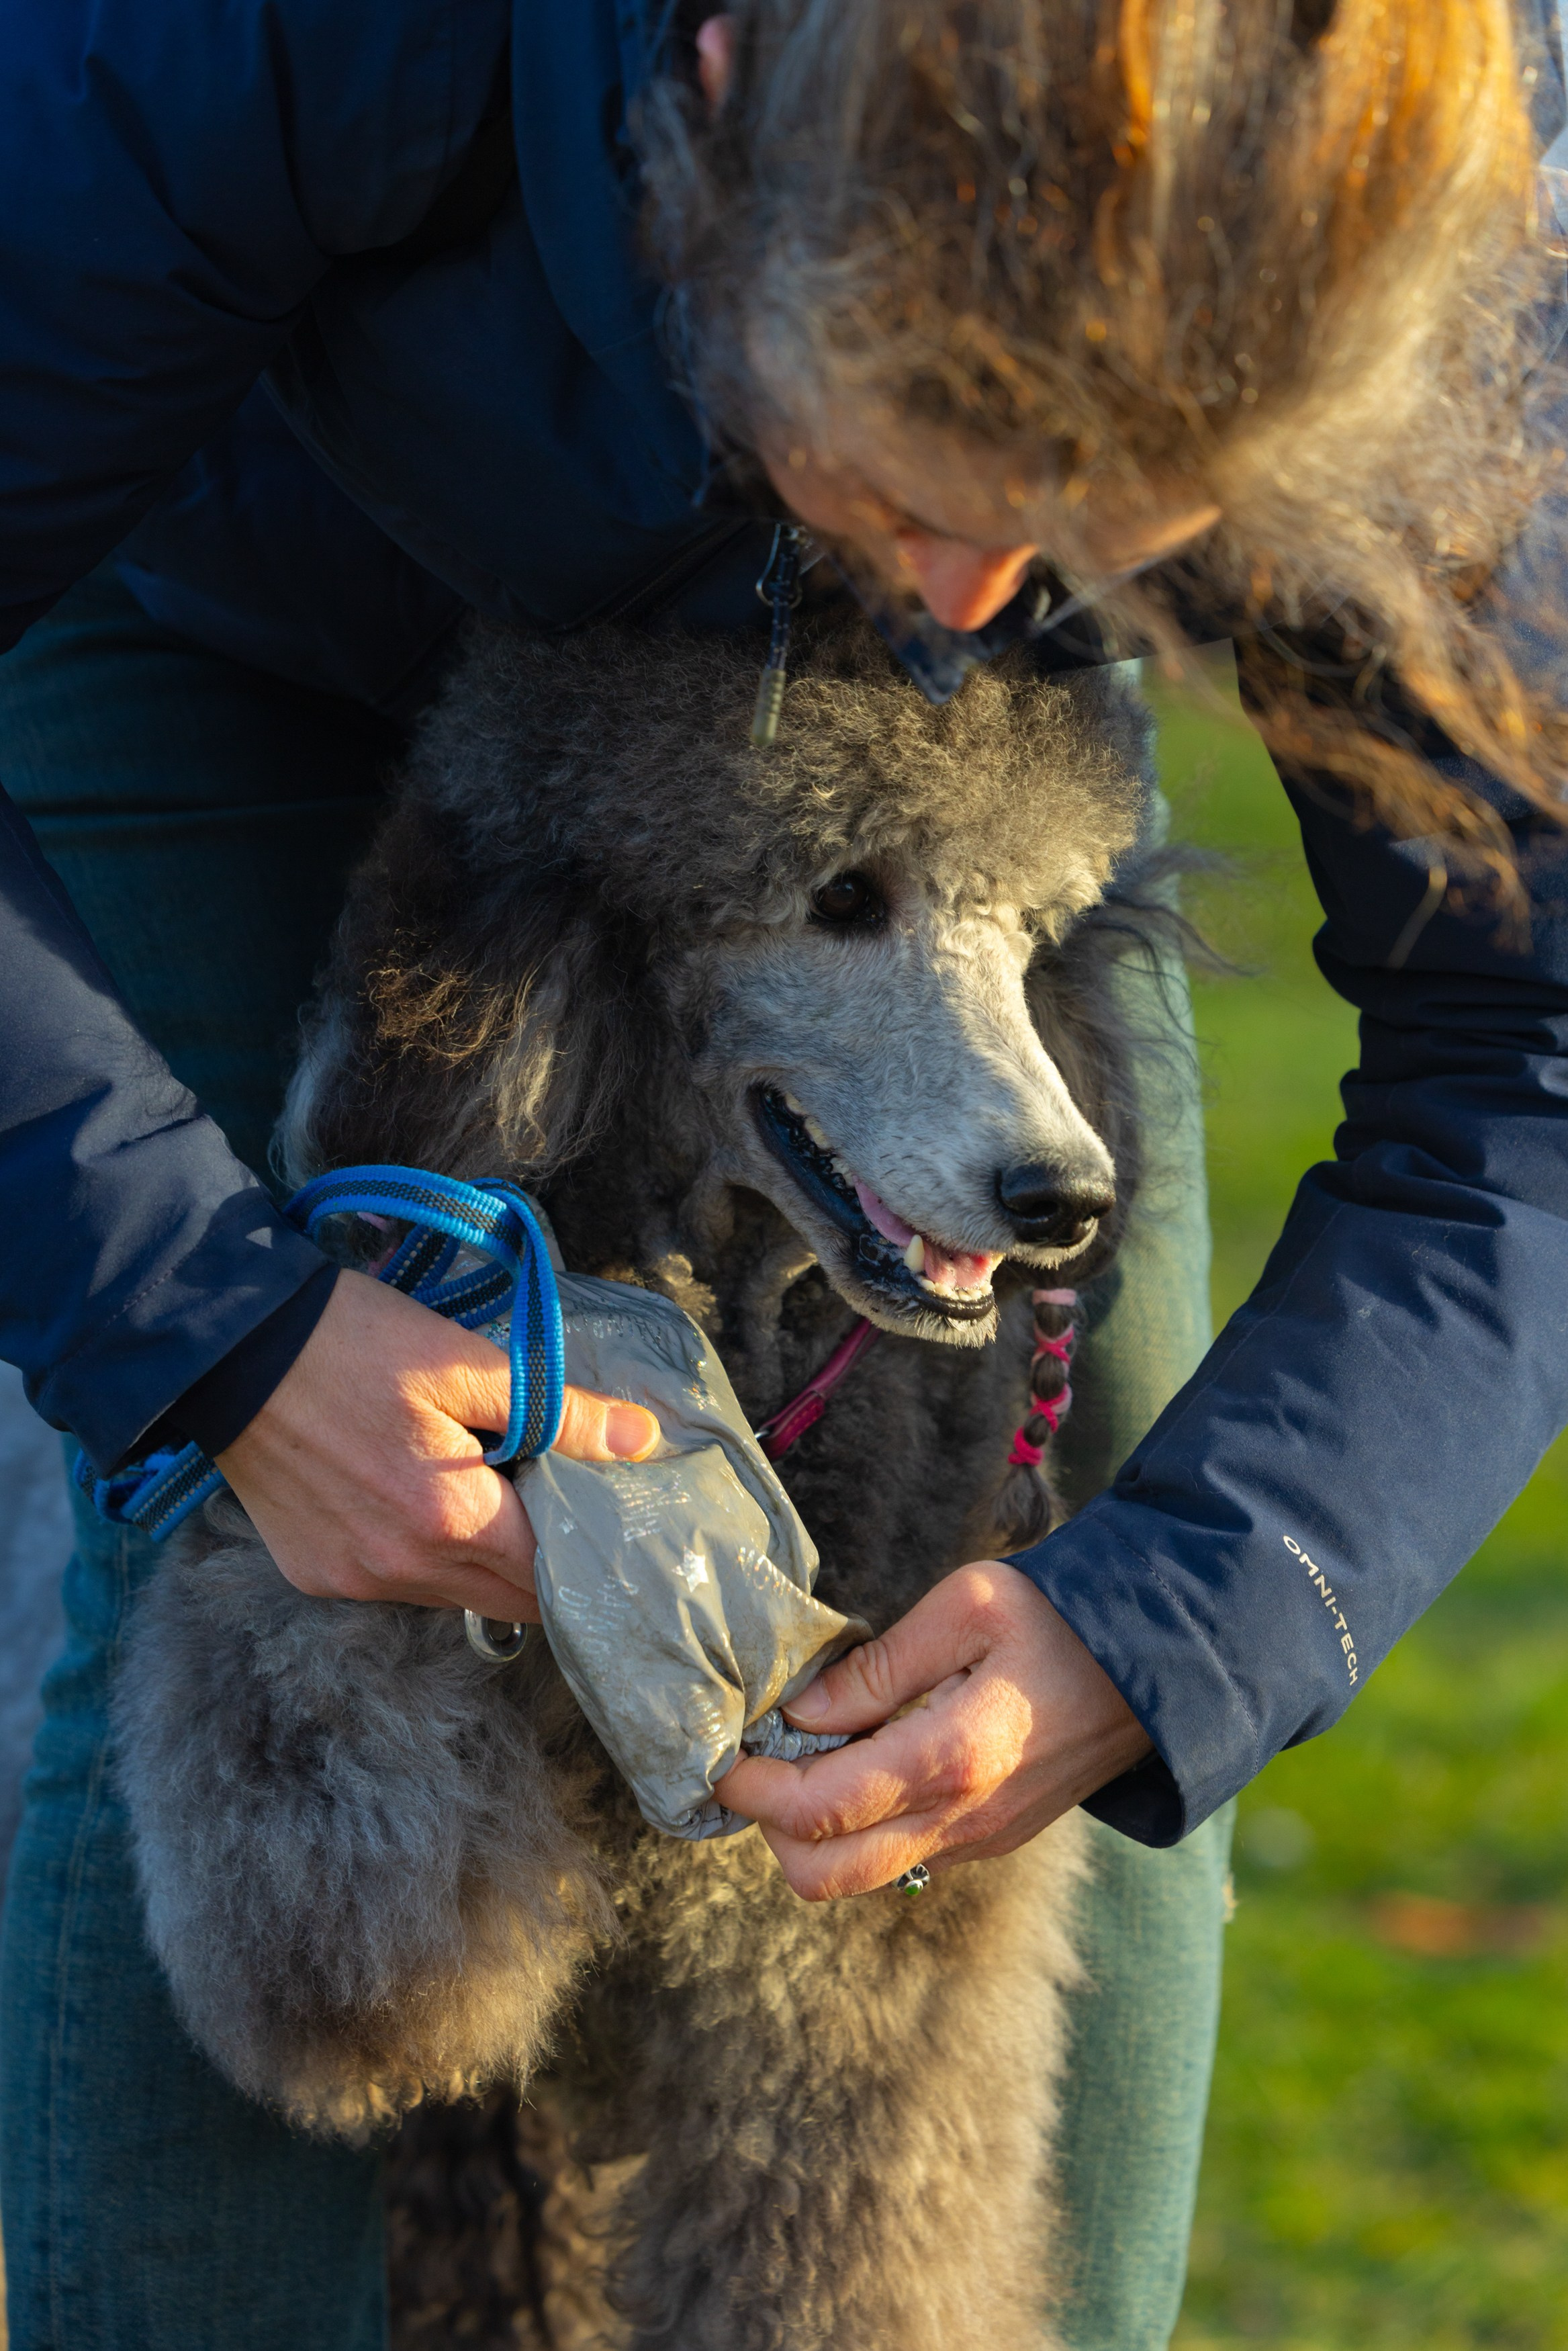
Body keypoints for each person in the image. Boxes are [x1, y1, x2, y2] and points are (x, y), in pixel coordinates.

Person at [0, 1, 1562, 2345]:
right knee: (246, 1589)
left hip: (935, 837)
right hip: (239, 580)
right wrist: (203, 1328)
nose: (963, 591)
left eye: (1082, 522)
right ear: (721, 79)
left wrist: (1179, 1629)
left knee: (1087, 1568)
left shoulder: (1421, 217)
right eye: (930, 484)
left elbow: (1537, 1030)